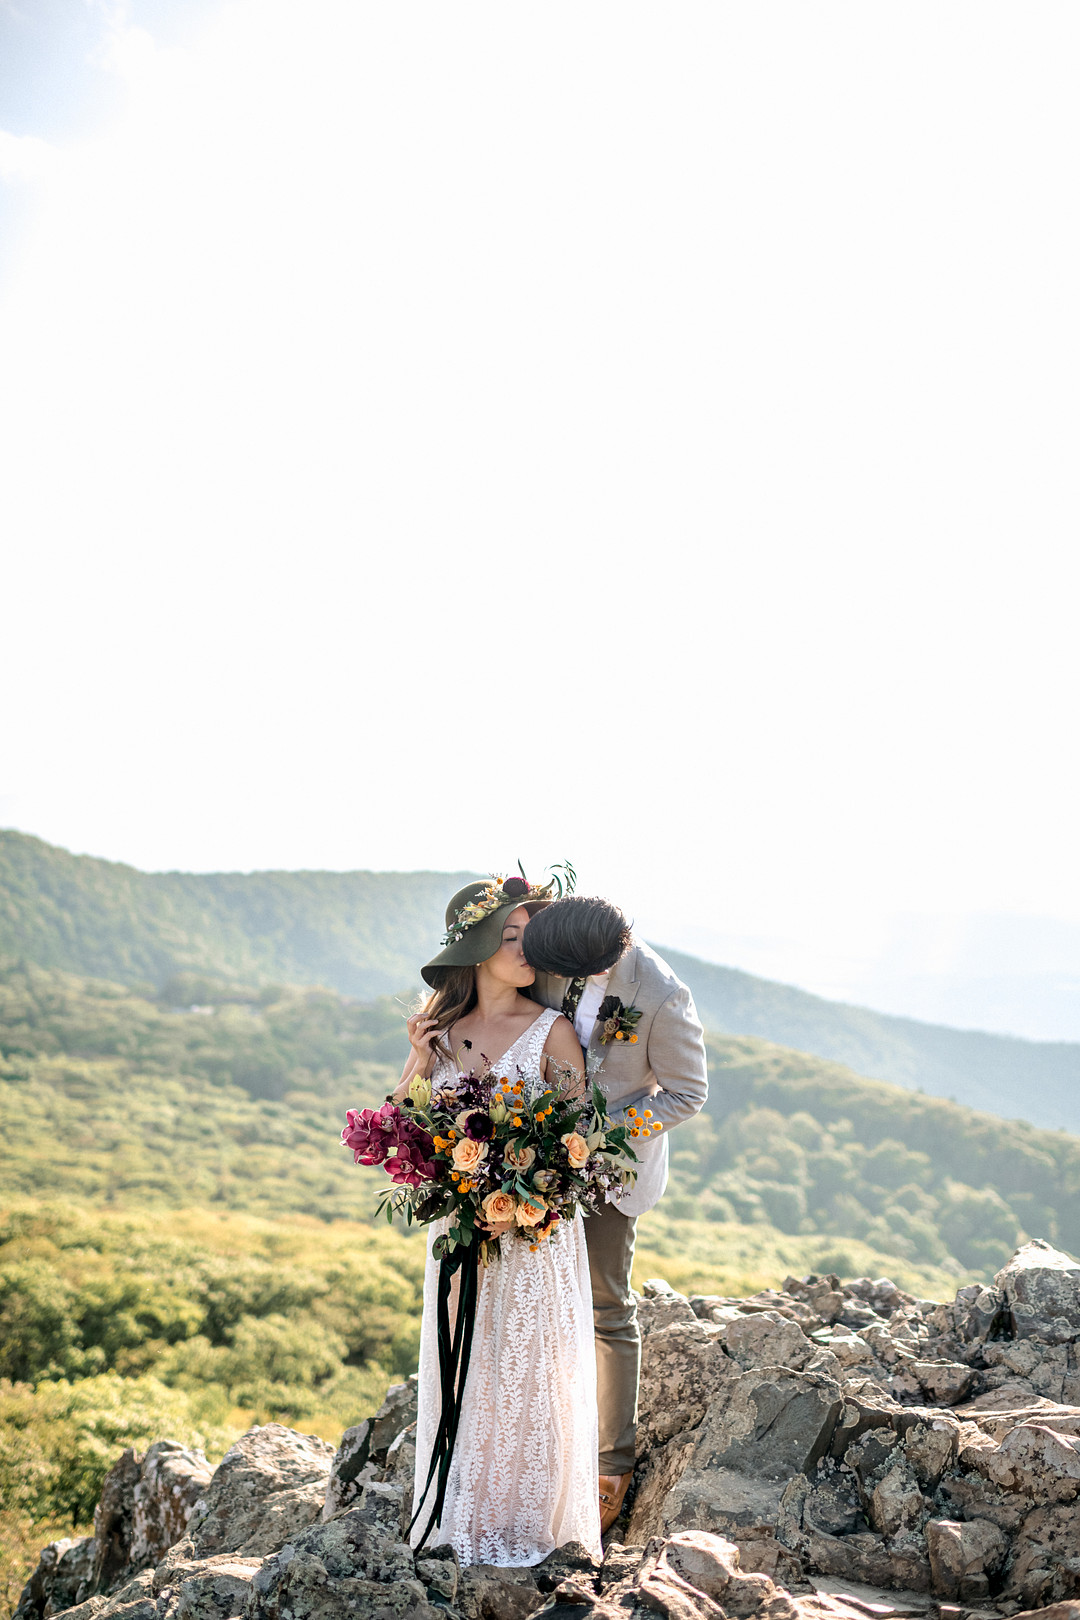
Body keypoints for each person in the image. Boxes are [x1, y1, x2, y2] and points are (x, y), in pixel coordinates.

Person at [393, 875, 602, 1567]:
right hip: (459, 1235)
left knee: (530, 1373)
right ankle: (463, 1518)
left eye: (530, 938)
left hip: (533, 1236)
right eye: (509, 937)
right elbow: (403, 1133)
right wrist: (419, 1060)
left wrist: (524, 1189)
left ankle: (530, 1526)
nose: (524, 950)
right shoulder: (443, 1036)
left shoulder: (554, 1031)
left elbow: (579, 1147)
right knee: (468, 1370)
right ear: (477, 949)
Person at [523, 895, 708, 1531]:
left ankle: (613, 1460)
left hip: (613, 1171)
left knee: (606, 1304)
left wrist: (601, 1135)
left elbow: (688, 1093)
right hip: (533, 1154)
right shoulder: (559, 942)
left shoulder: (662, 994)